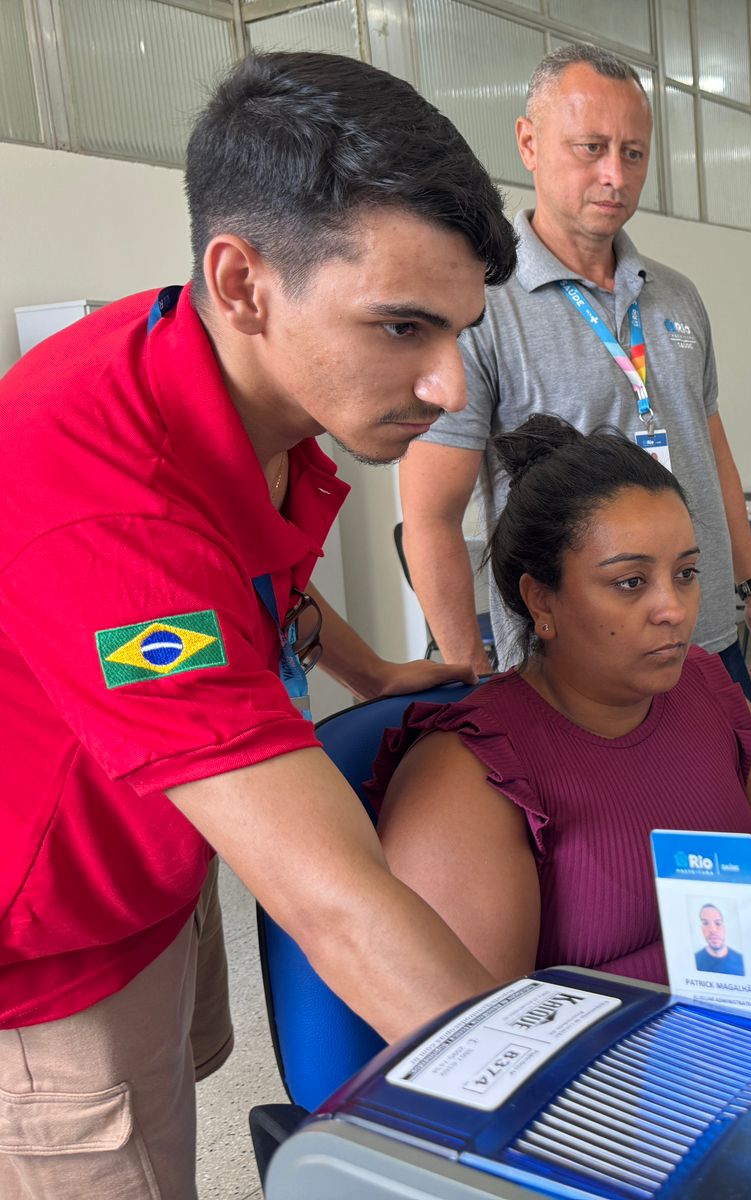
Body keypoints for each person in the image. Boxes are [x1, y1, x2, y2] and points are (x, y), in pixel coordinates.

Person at [0, 53, 522, 1199]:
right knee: (117, 1154)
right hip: (47, 949)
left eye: (459, 334)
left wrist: (372, 667)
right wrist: (557, 1117)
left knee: (174, 1095)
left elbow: (255, 577)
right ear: (241, 280)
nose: (447, 387)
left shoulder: (236, 384)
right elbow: (329, 898)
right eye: (401, 329)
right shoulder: (106, 498)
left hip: (154, 861)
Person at [373, 417, 751, 998]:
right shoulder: (470, 773)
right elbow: (485, 1049)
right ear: (541, 599)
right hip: (602, 1085)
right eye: (630, 582)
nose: (674, 609)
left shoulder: (703, 684)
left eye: (686, 573)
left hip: (740, 1048)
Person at [399, 42, 751, 703]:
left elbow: (712, 453)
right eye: (591, 148)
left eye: (633, 152)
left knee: (727, 808)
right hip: (570, 668)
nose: (615, 174)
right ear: (529, 143)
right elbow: (430, 517)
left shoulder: (676, 296)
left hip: (705, 644)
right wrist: (472, 689)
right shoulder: (478, 306)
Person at [694, 904, 745, 976]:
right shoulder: (694, 962)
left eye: (718, 923)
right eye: (705, 923)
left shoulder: (742, 961)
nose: (712, 930)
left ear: (725, 926)